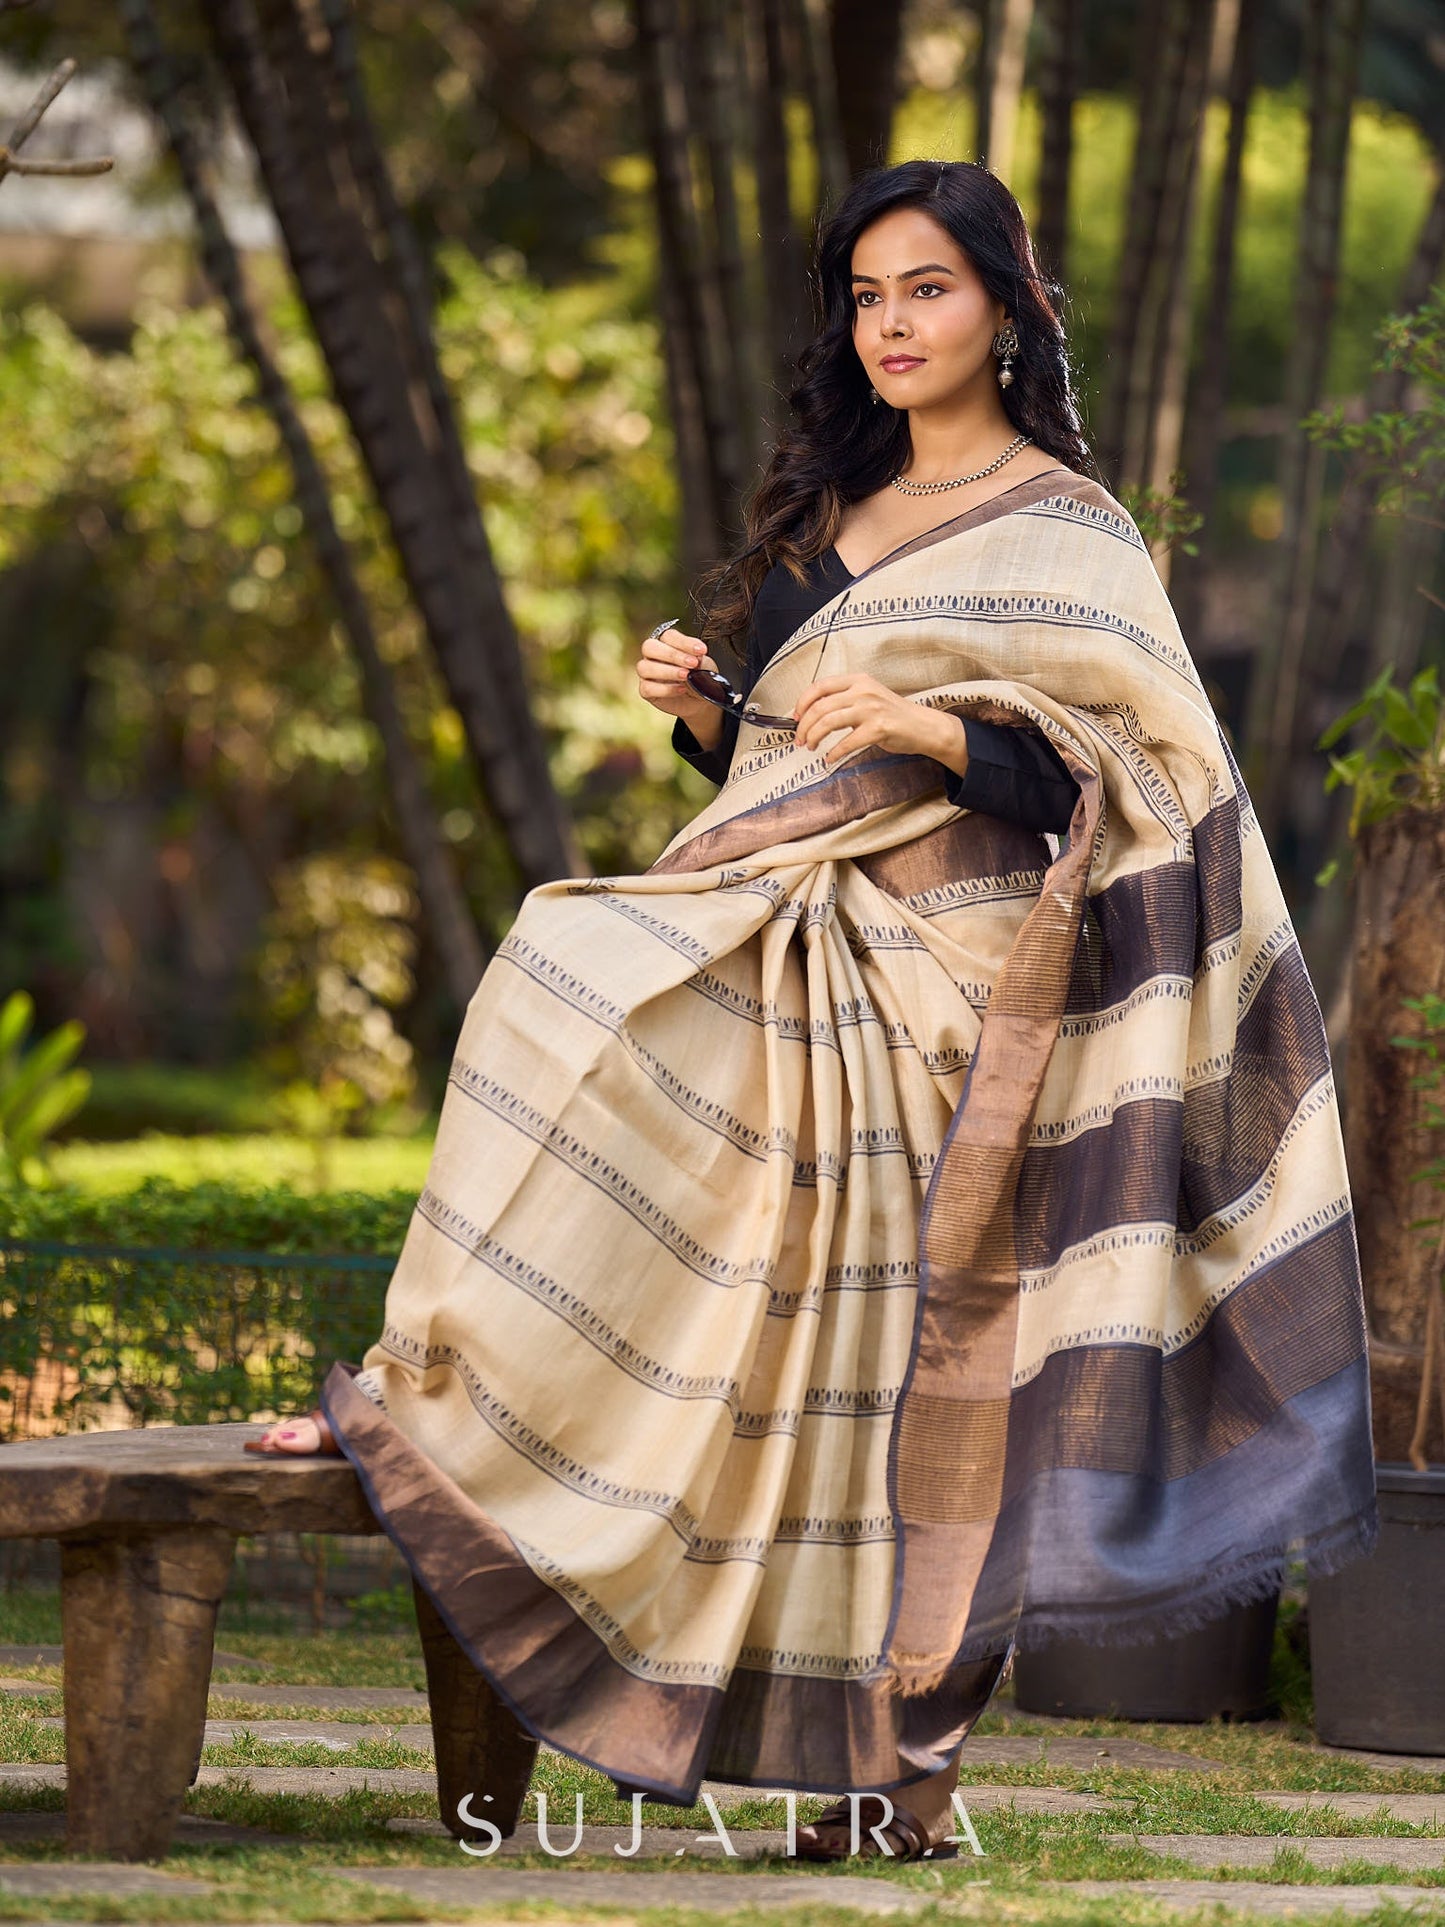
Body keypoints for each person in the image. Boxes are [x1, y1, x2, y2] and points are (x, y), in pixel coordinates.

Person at [248, 160, 1377, 1863]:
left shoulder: (1070, 532)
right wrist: (715, 719)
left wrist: (932, 733)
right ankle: (437, 1407)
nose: (890, 326)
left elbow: (1130, 788)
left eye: (926, 289)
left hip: (966, 978)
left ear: (1004, 308)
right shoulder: (826, 517)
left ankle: (894, 1771)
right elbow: (791, 776)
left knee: (899, 1349)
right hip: (800, 915)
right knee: (563, 981)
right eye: (864, 298)